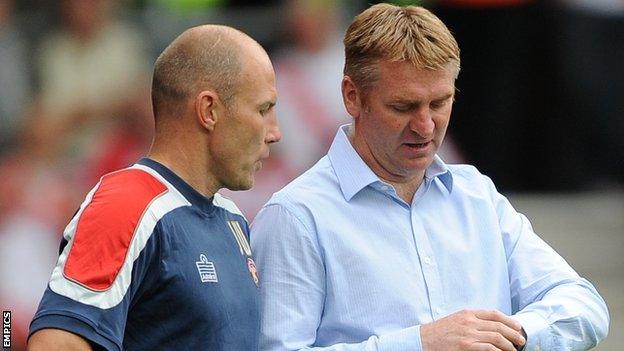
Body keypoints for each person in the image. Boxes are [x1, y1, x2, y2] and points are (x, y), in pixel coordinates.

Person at [251, 3, 609, 351]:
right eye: (403, 107)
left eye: (439, 103)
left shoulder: (477, 195)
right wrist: (421, 344)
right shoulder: (295, 216)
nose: (425, 126)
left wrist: (508, 336)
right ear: (352, 96)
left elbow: (584, 305)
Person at [27, 24, 281, 351]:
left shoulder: (232, 219)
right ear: (209, 111)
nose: (275, 132)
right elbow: (54, 344)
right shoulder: (127, 203)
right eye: (263, 110)